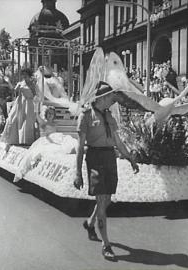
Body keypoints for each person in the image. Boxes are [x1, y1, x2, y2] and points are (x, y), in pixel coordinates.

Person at [73, 81, 139, 260]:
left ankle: (90, 223)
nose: (113, 99)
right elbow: (80, 147)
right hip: (95, 159)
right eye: (111, 96)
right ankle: (106, 245)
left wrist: (130, 158)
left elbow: (117, 141)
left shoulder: (109, 116)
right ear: (102, 98)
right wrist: (77, 172)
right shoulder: (85, 116)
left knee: (107, 199)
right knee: (102, 201)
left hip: (110, 158)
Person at [1, 68, 37, 145]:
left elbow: (35, 94)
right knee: (14, 119)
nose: (24, 76)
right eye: (23, 75)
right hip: (21, 103)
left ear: (29, 75)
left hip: (29, 103)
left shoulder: (32, 83)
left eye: (26, 75)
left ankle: (27, 141)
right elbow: (13, 90)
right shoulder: (20, 83)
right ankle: (16, 140)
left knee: (28, 122)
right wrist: (8, 81)